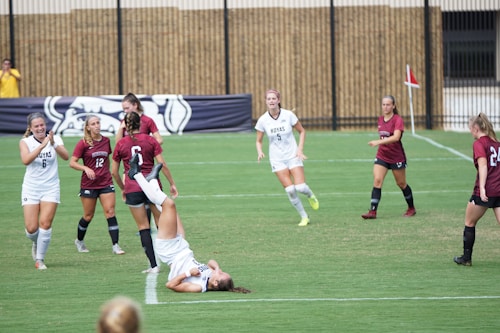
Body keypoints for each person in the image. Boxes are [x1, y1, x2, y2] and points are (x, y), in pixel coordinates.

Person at [128, 158, 251, 293]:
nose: (221, 271)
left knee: (169, 205)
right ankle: (152, 181)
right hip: (181, 246)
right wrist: (217, 269)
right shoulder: (210, 275)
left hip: (171, 251)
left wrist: (188, 274)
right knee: (172, 212)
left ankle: (136, 175)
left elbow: (170, 285)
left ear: (215, 283)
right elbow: (211, 261)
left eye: (221, 274)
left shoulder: (198, 286)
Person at [111, 111, 178, 273]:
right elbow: (162, 164)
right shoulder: (150, 140)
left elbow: (114, 172)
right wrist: (172, 183)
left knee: (143, 227)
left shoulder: (120, 144)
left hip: (133, 187)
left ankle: (153, 265)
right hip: (152, 186)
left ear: (126, 126)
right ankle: (173, 259)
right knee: (161, 222)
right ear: (140, 124)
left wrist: (123, 188)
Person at [255, 88, 319, 227]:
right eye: (268, 99)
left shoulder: (288, 115)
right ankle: (304, 217)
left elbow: (302, 131)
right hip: (277, 159)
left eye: (273, 98)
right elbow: (259, 140)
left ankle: (310, 195)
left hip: (292, 155)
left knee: (301, 187)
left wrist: (300, 149)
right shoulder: (263, 120)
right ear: (266, 101)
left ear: (278, 100)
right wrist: (260, 151)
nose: (271, 101)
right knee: (290, 190)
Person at [69, 115, 125, 255]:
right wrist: (85, 168)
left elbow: (107, 160)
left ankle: (116, 245)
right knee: (88, 215)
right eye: (93, 124)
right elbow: (72, 162)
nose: (97, 126)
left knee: (110, 212)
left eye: (98, 123)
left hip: (105, 182)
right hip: (89, 185)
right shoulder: (83, 143)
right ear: (88, 127)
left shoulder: (106, 141)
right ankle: (79, 241)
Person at [20, 112, 69, 269]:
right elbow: (26, 160)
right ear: (30, 128)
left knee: (45, 223)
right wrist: (42, 145)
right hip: (31, 188)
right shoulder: (25, 142)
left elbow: (66, 156)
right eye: (37, 126)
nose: (41, 128)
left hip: (51, 187)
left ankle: (39, 259)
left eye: (42, 125)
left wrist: (53, 143)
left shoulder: (54, 138)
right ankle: (36, 241)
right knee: (31, 228)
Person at [453, 113, 500, 266]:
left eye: (470, 128)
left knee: (469, 222)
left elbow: (483, 165)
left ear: (475, 128)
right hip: (499, 189)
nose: (470, 131)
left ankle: (466, 258)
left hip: (486, 191)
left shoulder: (480, 143)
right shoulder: (496, 143)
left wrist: (482, 188)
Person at [361, 95, 416, 219]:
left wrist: (378, 142)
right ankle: (373, 211)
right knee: (377, 180)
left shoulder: (397, 120)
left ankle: (411, 208)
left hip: (396, 157)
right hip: (382, 156)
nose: (385, 107)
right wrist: (380, 144)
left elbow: (396, 137)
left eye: (388, 104)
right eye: (383, 104)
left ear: (393, 106)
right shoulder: (380, 120)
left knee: (401, 184)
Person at [116, 92, 163, 227]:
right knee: (135, 194)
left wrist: (147, 145)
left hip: (145, 165)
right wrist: (121, 128)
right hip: (129, 166)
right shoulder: (124, 122)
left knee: (149, 197)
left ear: (135, 105)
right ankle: (144, 225)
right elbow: (118, 143)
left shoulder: (147, 121)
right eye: (123, 109)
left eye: (127, 108)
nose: (125, 111)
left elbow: (159, 139)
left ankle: (148, 227)